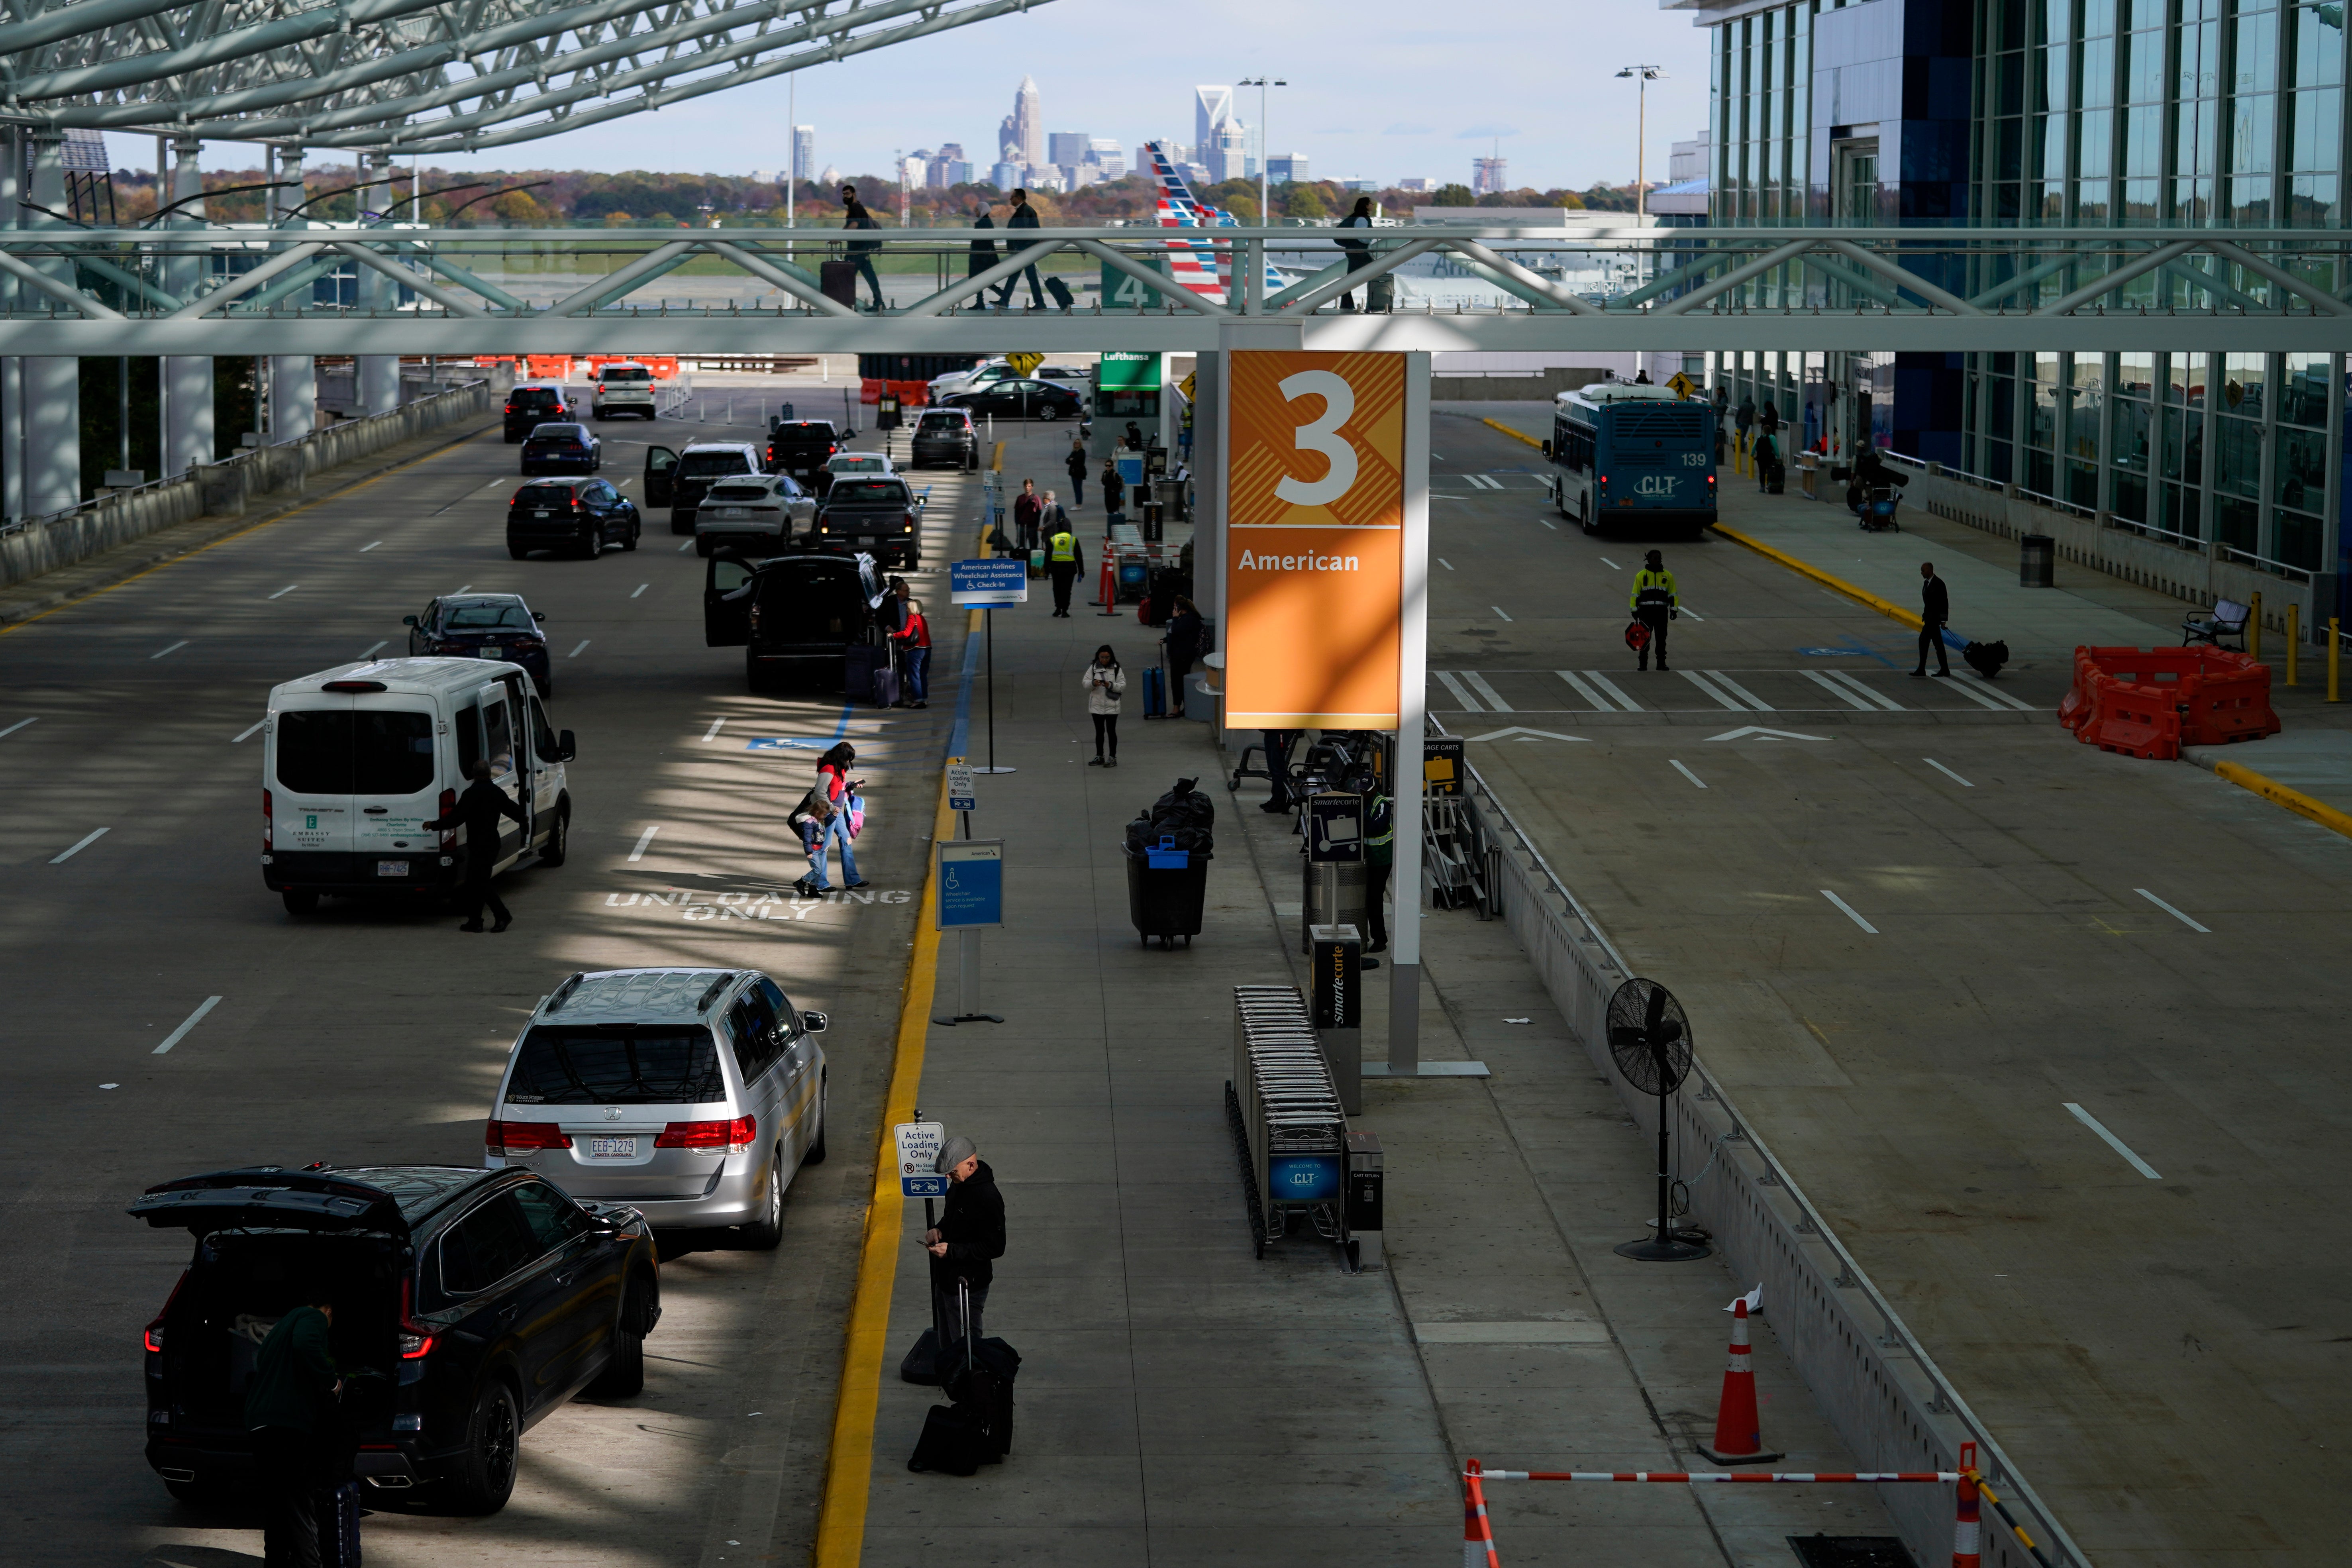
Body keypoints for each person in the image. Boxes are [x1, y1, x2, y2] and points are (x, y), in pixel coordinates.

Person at [245, 1290, 342, 1568]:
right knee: (299, 1503)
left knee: (277, 1504)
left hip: (259, 1424)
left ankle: (275, 1563)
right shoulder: (314, 1317)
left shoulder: (281, 1326)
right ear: (329, 1310)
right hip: (286, 1426)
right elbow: (306, 1345)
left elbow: (264, 1361)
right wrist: (332, 1382)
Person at [923, 1134, 1004, 1350]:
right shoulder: (959, 1186)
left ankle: (968, 1383)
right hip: (947, 1282)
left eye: (953, 1172)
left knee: (966, 1351)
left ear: (971, 1164)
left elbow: (995, 1246)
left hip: (967, 1287)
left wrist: (952, 1251)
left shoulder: (988, 1198)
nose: (949, 1177)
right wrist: (938, 1229)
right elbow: (952, 1217)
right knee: (948, 1348)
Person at [428, 761, 526, 932]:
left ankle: (502, 915)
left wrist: (434, 825)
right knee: (477, 882)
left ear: (474, 775)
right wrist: (524, 822)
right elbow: (513, 811)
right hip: (492, 843)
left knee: (479, 882)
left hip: (478, 844)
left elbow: (455, 819)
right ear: (489, 774)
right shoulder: (497, 792)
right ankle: (475, 921)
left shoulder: (470, 794)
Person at [799, 742, 866, 893]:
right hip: (828, 814)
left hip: (837, 812)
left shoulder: (839, 769)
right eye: (849, 759)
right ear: (842, 757)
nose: (850, 762)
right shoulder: (828, 770)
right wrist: (831, 808)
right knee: (823, 847)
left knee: (847, 840)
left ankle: (852, 880)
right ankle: (820, 883)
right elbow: (820, 792)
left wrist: (851, 785)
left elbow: (838, 787)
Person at [1361, 775, 1393, 966]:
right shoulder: (1364, 802)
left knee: (1374, 899)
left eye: (1366, 789)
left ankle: (1380, 940)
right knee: (1365, 898)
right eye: (1362, 789)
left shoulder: (1381, 804)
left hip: (1380, 860)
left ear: (1375, 789)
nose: (1363, 792)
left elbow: (1376, 827)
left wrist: (1357, 824)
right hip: (1367, 859)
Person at [1629, 549, 1678, 672]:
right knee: (1644, 638)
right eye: (1655, 558)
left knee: (1661, 639)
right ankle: (1643, 664)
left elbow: (1672, 594)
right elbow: (1635, 594)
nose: (1658, 560)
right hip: (1645, 613)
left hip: (1661, 613)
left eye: (1659, 558)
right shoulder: (1641, 576)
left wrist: (1674, 609)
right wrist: (1634, 611)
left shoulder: (1668, 576)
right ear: (1649, 560)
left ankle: (1661, 663)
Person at [997, 188, 1046, 309]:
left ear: (1018, 198)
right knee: (1026, 277)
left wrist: (1017, 248)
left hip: (1024, 251)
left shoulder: (1024, 212)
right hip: (1026, 250)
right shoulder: (1025, 210)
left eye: (1012, 197)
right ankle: (1005, 301)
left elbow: (1022, 232)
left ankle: (1005, 301)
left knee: (1022, 277)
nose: (1010, 199)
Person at [839, 183, 885, 312]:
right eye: (843, 194)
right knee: (870, 276)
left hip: (856, 249)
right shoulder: (857, 208)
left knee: (847, 277)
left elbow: (853, 225)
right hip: (862, 248)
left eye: (847, 194)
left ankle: (848, 305)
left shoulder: (855, 208)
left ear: (854, 194)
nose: (845, 196)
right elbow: (849, 225)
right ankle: (879, 302)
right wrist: (838, 235)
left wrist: (839, 238)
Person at [1082, 644, 1127, 766]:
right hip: (1097, 706)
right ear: (1098, 657)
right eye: (1102, 657)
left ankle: (1113, 757)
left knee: (1111, 731)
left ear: (1111, 657)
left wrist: (1110, 685)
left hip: (1112, 705)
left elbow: (1122, 685)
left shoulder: (1117, 669)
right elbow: (1085, 683)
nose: (1104, 660)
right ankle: (1100, 755)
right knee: (1099, 732)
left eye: (1107, 658)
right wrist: (1093, 683)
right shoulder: (1093, 668)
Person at [892, 594, 932, 708]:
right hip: (927, 649)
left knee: (914, 675)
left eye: (908, 608)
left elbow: (906, 633)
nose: (907, 610)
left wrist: (894, 635)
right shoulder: (922, 619)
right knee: (923, 675)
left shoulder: (912, 618)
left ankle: (918, 699)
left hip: (915, 650)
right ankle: (924, 698)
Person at [1913, 561, 1952, 678]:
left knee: (1923, 641)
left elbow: (1944, 603)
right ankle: (1945, 670)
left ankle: (1922, 669)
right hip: (1929, 619)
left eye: (1923, 571)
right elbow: (1928, 603)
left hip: (1934, 620)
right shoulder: (1926, 583)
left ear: (1930, 571)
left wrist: (1944, 621)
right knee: (1938, 645)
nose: (1921, 573)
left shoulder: (1939, 584)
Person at [1336, 195, 1375, 310]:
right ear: (1366, 206)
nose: (1373, 205)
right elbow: (1362, 238)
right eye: (1371, 203)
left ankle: (1346, 304)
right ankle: (1372, 305)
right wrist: (1372, 237)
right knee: (1375, 274)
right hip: (1360, 253)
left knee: (1350, 279)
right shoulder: (1362, 220)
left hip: (1353, 252)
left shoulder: (1354, 218)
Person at [1044, 498, 1080, 616]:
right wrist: (1082, 571)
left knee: (1057, 589)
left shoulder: (1053, 539)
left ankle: (1058, 608)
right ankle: (1065, 610)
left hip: (1056, 568)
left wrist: (1046, 570)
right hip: (1070, 568)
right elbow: (1079, 556)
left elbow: (1048, 556)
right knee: (1067, 590)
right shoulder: (1073, 540)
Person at [1163, 595, 1204, 693]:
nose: (1173, 610)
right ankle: (1178, 704)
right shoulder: (1184, 619)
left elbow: (1177, 631)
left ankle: (1179, 704)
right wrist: (1165, 640)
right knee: (1178, 680)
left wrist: (1175, 619)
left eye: (1175, 608)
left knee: (1178, 681)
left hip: (1182, 655)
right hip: (1178, 654)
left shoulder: (1188, 620)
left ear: (1179, 608)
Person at [1259, 729, 1299, 812]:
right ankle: (1275, 798)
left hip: (1280, 731)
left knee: (1277, 768)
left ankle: (1279, 801)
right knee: (1273, 767)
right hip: (1271, 730)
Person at [966, 197, 998, 285]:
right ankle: (980, 299)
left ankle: (1001, 294)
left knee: (979, 281)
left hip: (981, 257)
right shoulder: (987, 221)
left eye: (976, 210)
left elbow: (982, 242)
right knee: (981, 282)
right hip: (983, 256)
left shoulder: (983, 223)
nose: (975, 212)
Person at [1012, 478, 1042, 553]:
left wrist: (1036, 525)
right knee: (1021, 548)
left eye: (1029, 486)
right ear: (1024, 487)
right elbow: (1017, 513)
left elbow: (1039, 513)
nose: (1027, 488)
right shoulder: (1020, 498)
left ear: (1032, 487)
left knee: (1034, 548)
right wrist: (1017, 525)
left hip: (1032, 527)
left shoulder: (1036, 498)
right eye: (1026, 486)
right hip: (1022, 527)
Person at [1064, 438, 1088, 506]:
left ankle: (1079, 504)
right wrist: (1072, 460)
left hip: (1079, 473)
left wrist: (1072, 460)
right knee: (1076, 490)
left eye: (1077, 443)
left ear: (1080, 444)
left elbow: (1076, 461)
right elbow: (1067, 461)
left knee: (1078, 489)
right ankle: (1077, 503)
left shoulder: (1082, 452)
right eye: (1075, 443)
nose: (1076, 444)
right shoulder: (1074, 452)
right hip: (1073, 473)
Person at [1100, 458, 1125, 522]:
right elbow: (1103, 482)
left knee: (1115, 509)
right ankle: (1111, 519)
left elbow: (1119, 485)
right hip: (1107, 493)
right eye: (1107, 466)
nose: (1108, 467)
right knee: (1108, 507)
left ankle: (1116, 521)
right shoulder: (1105, 474)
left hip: (1115, 495)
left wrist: (1114, 490)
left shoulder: (1115, 474)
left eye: (1109, 466)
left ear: (1112, 466)